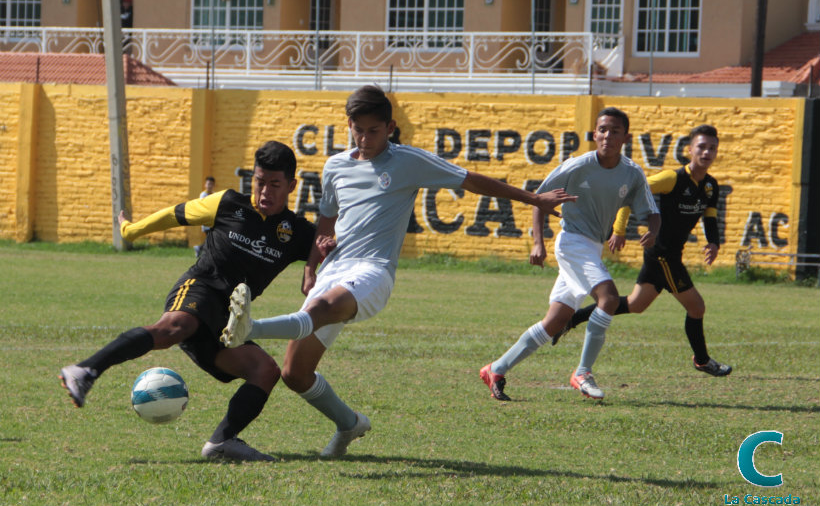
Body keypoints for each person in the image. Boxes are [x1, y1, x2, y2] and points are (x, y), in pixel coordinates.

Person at [219, 85, 577, 457]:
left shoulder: (408, 162)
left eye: (374, 130)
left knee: (320, 309)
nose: (365, 137)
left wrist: (534, 198)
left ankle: (250, 328)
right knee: (295, 373)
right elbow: (327, 216)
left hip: (373, 272)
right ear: (349, 125)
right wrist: (312, 265)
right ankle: (349, 424)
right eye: (358, 129)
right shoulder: (335, 166)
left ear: (390, 127)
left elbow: (471, 180)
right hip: (334, 269)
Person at [59, 141, 315, 461]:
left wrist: (311, 266)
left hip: (228, 322)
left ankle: (222, 443)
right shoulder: (227, 203)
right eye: (259, 182)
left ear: (291, 185)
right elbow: (174, 215)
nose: (264, 191)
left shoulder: (296, 232)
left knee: (265, 370)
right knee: (174, 327)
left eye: (274, 185)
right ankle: (84, 371)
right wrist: (131, 231)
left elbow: (326, 247)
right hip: (199, 288)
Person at [480, 107, 661, 402]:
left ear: (626, 137)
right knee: (610, 298)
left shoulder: (632, 172)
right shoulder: (577, 166)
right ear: (594, 134)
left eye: (615, 131)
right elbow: (539, 200)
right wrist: (538, 243)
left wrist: (652, 231)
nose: (607, 136)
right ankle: (583, 372)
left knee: (555, 321)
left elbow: (652, 212)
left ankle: (496, 369)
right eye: (602, 130)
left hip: (592, 247)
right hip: (572, 242)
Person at [552, 124, 731, 377]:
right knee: (697, 307)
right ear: (689, 150)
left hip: (669, 254)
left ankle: (572, 319)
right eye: (701, 147)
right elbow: (630, 193)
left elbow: (710, 218)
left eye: (712, 148)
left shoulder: (711, 186)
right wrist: (619, 229)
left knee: (636, 305)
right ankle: (702, 360)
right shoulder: (672, 178)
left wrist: (714, 243)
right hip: (662, 254)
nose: (707, 152)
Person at [194, 176, 216, 258]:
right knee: (210, 238)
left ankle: (200, 248)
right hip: (206, 220)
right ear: (205, 185)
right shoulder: (203, 195)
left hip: (213, 220)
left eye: (211, 184)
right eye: (208, 184)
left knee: (211, 238)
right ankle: (201, 249)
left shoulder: (214, 195)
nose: (209, 186)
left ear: (214, 185)